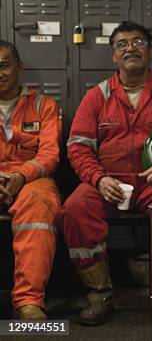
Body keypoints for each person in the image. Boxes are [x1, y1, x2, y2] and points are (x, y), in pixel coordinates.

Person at [60, 21, 152, 325]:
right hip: (109, 184)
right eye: (122, 44)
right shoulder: (97, 96)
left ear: (150, 52)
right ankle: (99, 292)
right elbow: (77, 146)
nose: (130, 48)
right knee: (74, 210)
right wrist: (98, 178)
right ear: (114, 56)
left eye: (138, 42)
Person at [0, 40, 62, 320]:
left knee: (40, 205)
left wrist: (21, 175)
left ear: (18, 68)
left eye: (4, 65)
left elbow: (50, 154)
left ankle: (29, 302)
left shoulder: (43, 105)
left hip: (31, 178)